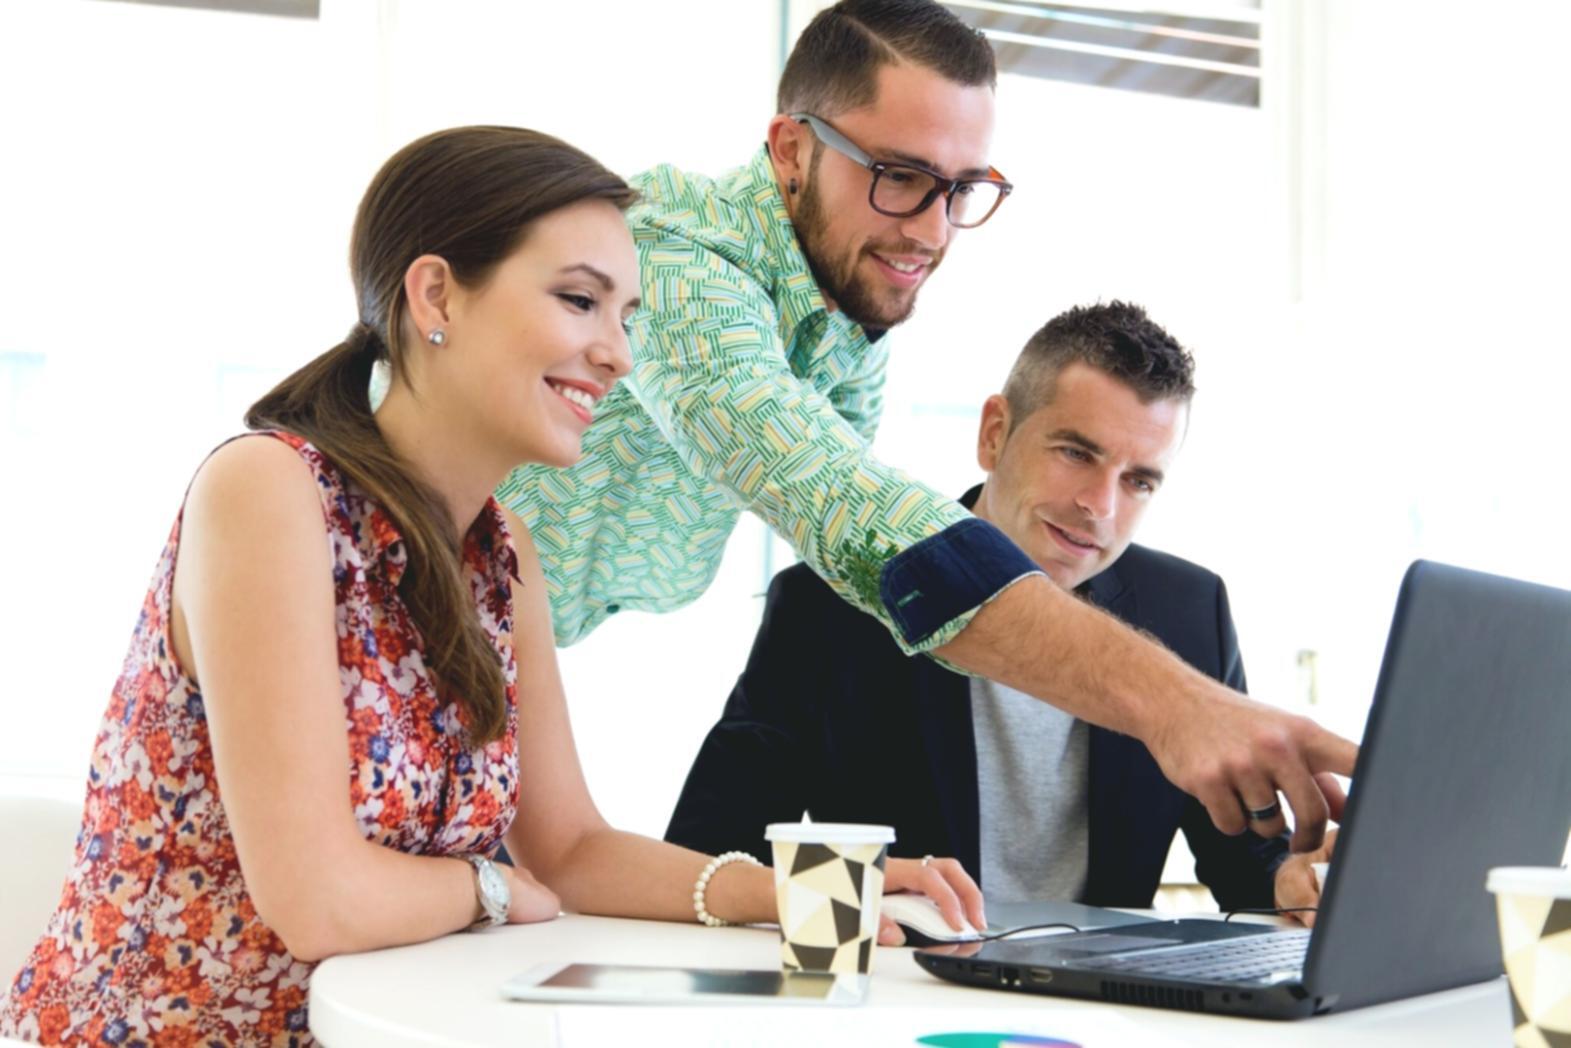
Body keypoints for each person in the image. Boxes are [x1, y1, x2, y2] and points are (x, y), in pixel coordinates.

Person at [0, 126, 979, 1048]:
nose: (618, 353)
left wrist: (813, 890)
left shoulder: (500, 551)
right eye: (578, 300)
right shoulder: (268, 490)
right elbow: (319, 898)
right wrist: (493, 888)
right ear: (435, 297)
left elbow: (572, 846)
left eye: (626, 315)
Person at [496, 0, 1354, 849]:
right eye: (900, 177)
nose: (933, 231)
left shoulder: (849, 311)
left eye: (961, 189)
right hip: (404, 609)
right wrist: (1177, 703)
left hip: (502, 645)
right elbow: (848, 510)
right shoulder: (680, 270)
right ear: (790, 150)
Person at [666, 302, 1339, 930]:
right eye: (1076, 453)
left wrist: (1291, 882)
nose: (1099, 506)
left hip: (1099, 1008)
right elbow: (707, 860)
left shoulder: (1189, 610)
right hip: (907, 991)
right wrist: (863, 895)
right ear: (994, 435)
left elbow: (1240, 865)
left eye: (1138, 480)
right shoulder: (828, 605)